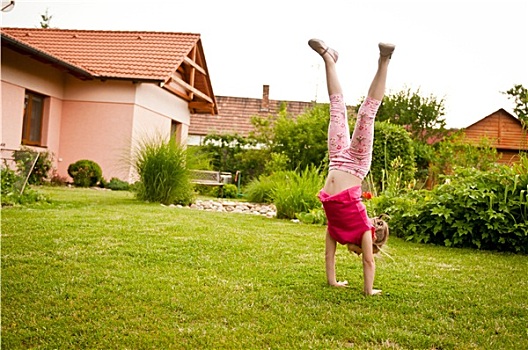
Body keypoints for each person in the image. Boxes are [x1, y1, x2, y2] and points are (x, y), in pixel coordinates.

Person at [308, 38, 393, 295]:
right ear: (373, 242)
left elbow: (327, 256)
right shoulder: (364, 231)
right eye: (363, 252)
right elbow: (369, 261)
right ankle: (384, 61)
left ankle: (329, 58)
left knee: (336, 110)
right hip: (356, 164)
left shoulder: (337, 230)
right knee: (367, 114)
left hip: (336, 158)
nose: (357, 255)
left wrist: (333, 282)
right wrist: (369, 290)